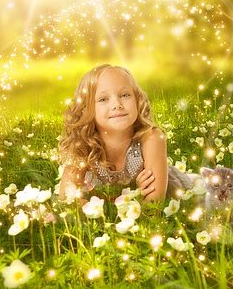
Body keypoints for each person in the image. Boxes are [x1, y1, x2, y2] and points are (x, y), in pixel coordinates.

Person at [57, 64, 170, 202]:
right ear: (86, 109)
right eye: (103, 99)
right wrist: (136, 194)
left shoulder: (151, 138)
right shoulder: (83, 144)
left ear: (137, 100)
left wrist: (138, 196)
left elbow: (154, 204)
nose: (117, 104)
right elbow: (66, 198)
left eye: (125, 95)